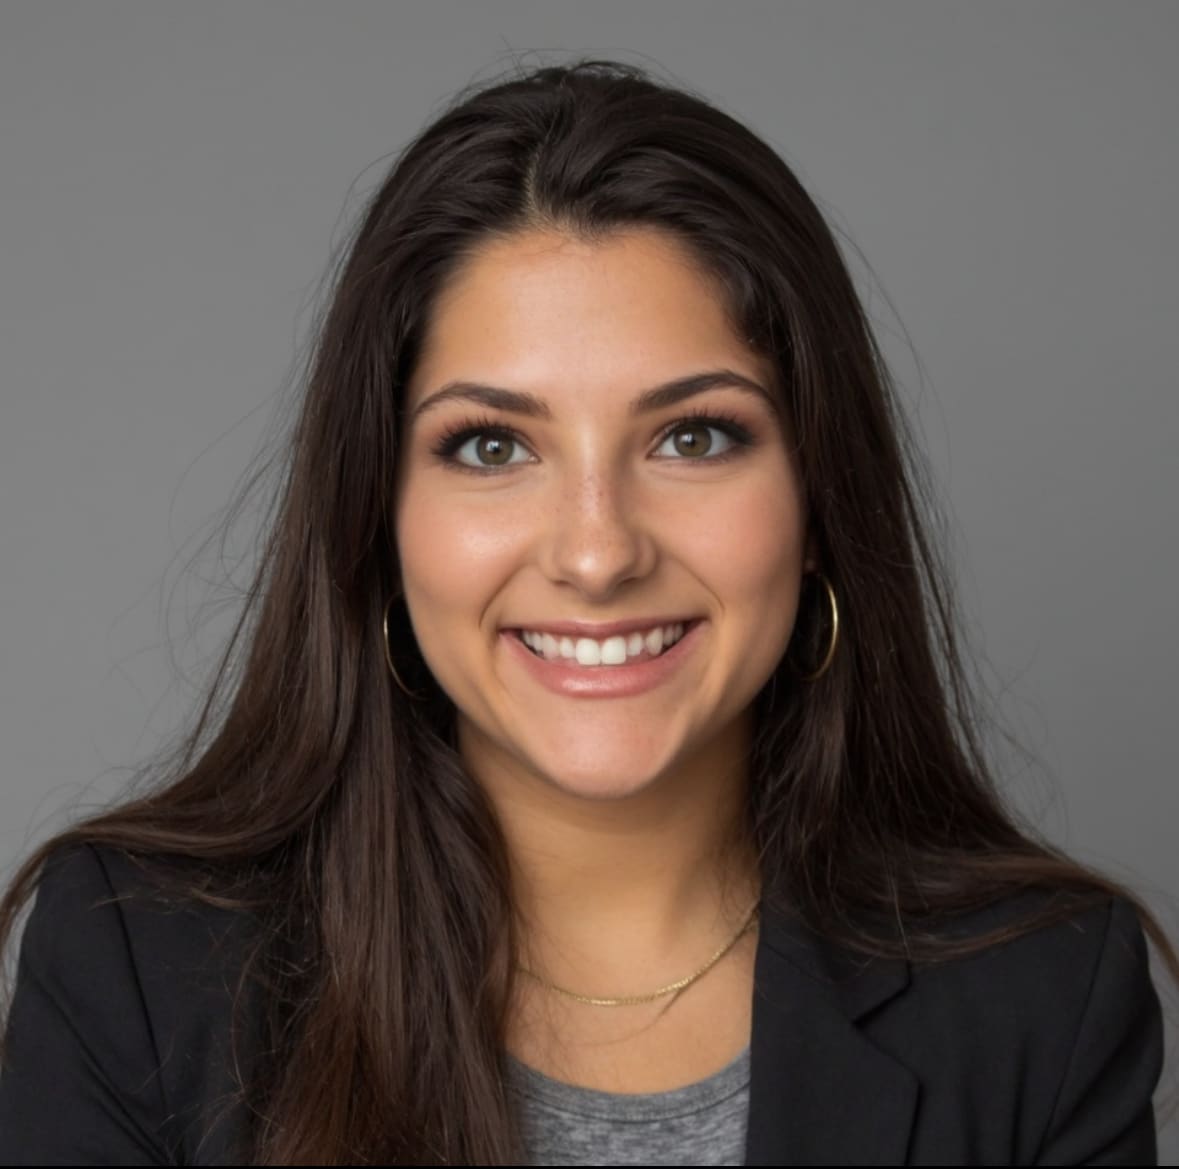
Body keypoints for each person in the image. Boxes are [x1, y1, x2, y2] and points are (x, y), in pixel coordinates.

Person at [0, 57, 1171, 1166]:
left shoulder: (1045, 998)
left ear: (819, 497)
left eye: (693, 436)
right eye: (493, 446)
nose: (599, 552)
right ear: (377, 515)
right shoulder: (136, 964)